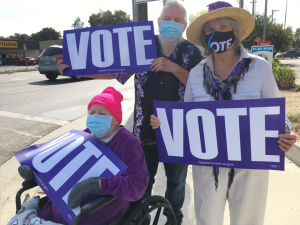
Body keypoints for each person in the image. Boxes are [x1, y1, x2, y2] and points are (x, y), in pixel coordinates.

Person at [150, 2, 297, 225]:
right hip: (207, 167)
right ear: (204, 36)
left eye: (223, 25)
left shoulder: (259, 68)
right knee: (208, 220)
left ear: (235, 31)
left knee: (247, 220)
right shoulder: (197, 72)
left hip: (250, 167)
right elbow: (188, 116)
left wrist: (285, 131)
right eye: (209, 29)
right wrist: (167, 126)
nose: (216, 32)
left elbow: (278, 110)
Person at [58, 1, 203, 224]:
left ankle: (174, 219)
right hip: (144, 134)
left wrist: (171, 67)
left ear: (184, 25)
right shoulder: (143, 46)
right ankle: (139, 220)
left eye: (177, 20)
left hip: (178, 133)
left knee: (177, 184)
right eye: (167, 19)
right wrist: (75, 69)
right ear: (158, 22)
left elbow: (198, 86)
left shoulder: (192, 53)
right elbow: (115, 73)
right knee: (141, 185)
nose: (171, 24)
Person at [8, 87, 149, 225]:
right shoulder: (85, 134)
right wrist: (36, 172)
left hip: (101, 206)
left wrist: (98, 185)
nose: (95, 118)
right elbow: (59, 160)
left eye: (102, 114)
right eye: (92, 113)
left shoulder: (128, 144)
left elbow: (137, 186)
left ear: (117, 119)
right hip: (64, 201)